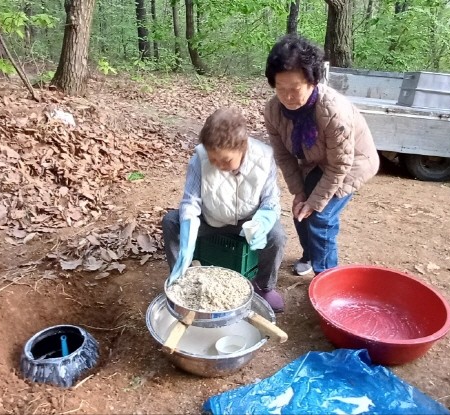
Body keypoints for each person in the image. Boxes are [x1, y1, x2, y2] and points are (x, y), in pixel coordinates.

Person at [263, 35, 379, 276]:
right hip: (316, 160)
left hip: (352, 162)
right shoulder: (274, 110)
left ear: (313, 81)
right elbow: (284, 156)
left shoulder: (333, 111)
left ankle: (326, 276)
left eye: (295, 89)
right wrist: (299, 193)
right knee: (300, 211)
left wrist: (314, 202)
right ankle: (310, 255)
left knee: (320, 217)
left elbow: (339, 166)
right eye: (280, 89)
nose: (287, 97)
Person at [162, 108, 287, 312]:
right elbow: (190, 203)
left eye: (226, 160)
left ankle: (264, 286)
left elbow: (271, 200)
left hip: (247, 223)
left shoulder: (263, 158)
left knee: (277, 236)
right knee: (171, 222)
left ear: (242, 147)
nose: (219, 166)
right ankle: (180, 280)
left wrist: (262, 221)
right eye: (213, 160)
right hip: (210, 219)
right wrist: (186, 242)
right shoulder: (199, 159)